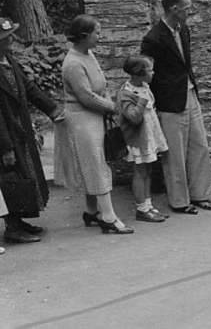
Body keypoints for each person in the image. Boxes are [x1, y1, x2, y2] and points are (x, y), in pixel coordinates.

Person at [141, 0, 211, 214]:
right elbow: (147, 72)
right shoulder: (153, 38)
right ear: (174, 9)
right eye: (186, 8)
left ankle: (201, 194)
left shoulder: (183, 30)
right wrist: (155, 100)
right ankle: (180, 201)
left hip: (189, 93)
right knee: (174, 152)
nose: (189, 12)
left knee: (199, 145)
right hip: (169, 100)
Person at [60, 15, 133, 234]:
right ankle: (109, 216)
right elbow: (86, 97)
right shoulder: (72, 63)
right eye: (96, 33)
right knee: (95, 164)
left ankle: (92, 212)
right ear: (84, 36)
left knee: (94, 162)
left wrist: (108, 100)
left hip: (96, 114)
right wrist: (112, 107)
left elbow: (100, 84)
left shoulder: (88, 54)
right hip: (82, 118)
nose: (99, 37)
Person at [0, 16, 65, 244]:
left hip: (20, 127)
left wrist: (52, 109)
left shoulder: (9, 60)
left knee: (25, 173)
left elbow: (29, 88)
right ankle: (12, 227)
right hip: (6, 132)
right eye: (5, 37)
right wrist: (5, 147)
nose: (10, 39)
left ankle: (20, 220)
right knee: (11, 177)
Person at [116, 56, 168, 223]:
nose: (153, 73)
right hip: (138, 140)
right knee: (140, 172)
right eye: (150, 70)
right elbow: (134, 118)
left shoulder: (145, 86)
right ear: (140, 73)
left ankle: (148, 204)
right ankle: (141, 208)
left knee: (148, 170)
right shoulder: (126, 93)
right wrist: (142, 102)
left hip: (149, 136)